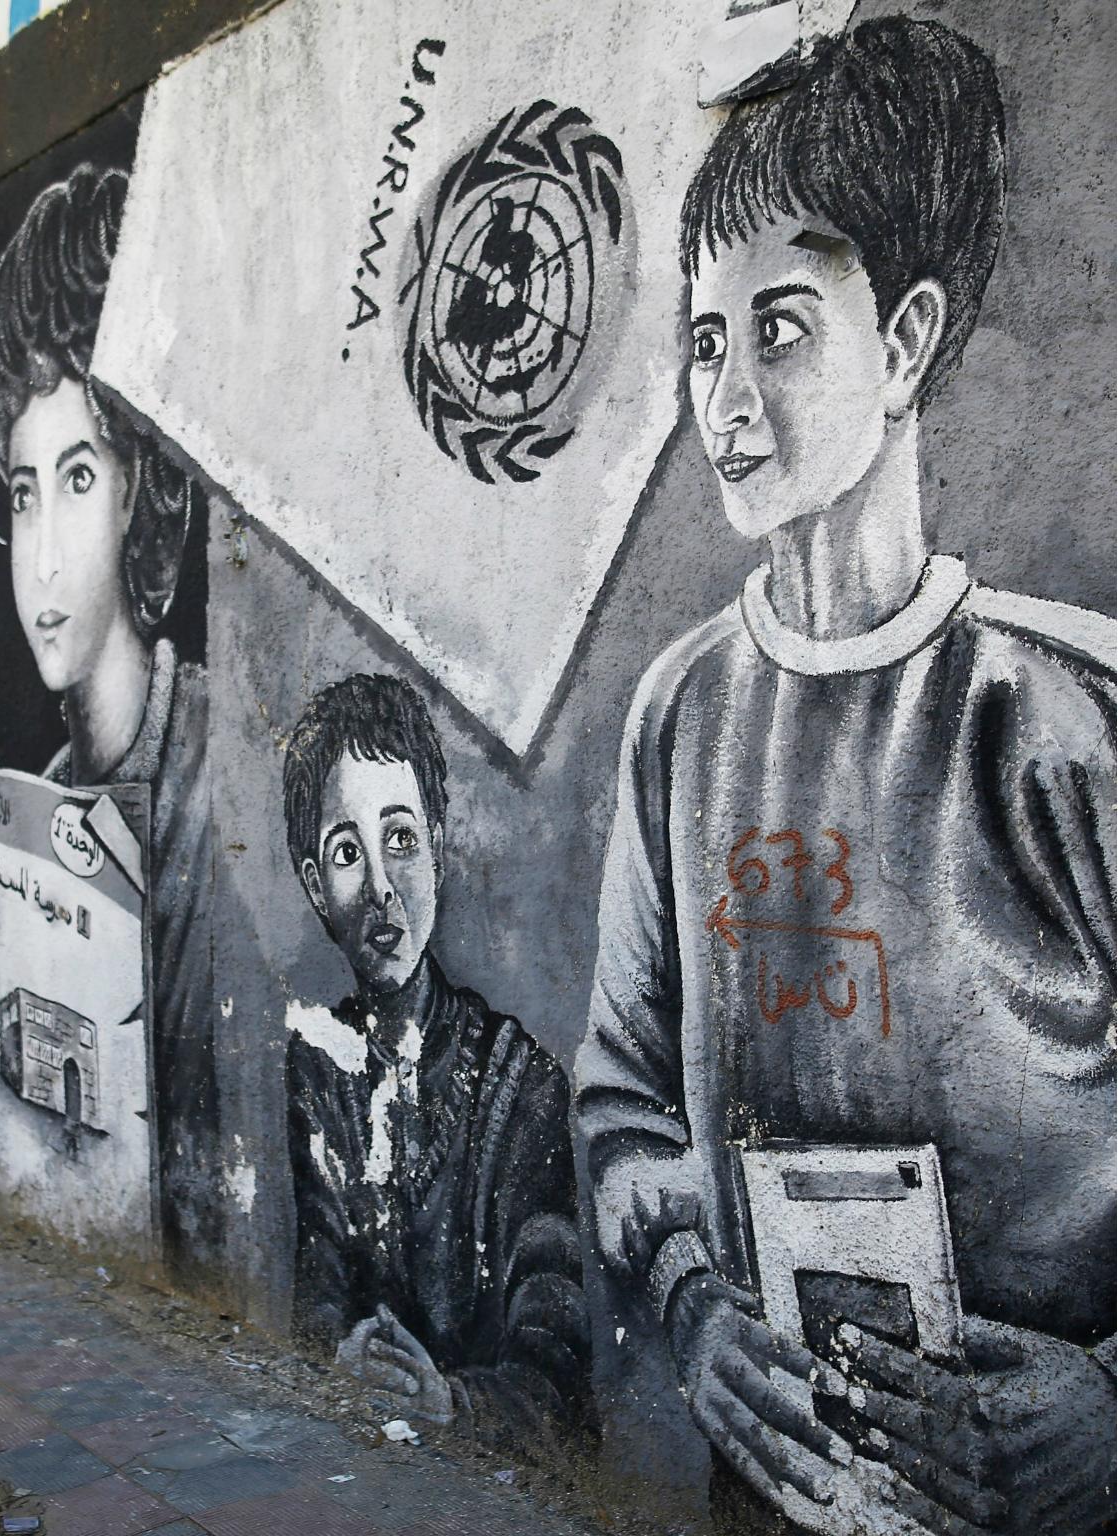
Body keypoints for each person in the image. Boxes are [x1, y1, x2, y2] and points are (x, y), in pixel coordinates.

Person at [573, 19, 1114, 1535]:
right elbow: (619, 1096)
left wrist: (1111, 1413)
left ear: (907, 340)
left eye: (782, 328)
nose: (727, 394)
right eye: (702, 337)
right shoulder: (679, 722)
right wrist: (688, 1309)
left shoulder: (1063, 723)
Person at [0, 163, 219, 1263]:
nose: (39, 550)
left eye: (80, 476)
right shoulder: (39, 813)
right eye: (22, 489)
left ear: (144, 484)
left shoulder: (210, 783)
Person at [281, 673, 587, 1441]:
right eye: (348, 852)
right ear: (318, 889)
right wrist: (344, 1359)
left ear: (439, 852)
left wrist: (448, 1405)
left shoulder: (523, 1090)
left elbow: (556, 1378)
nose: (382, 889)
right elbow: (317, 1299)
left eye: (401, 840)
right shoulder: (321, 1071)